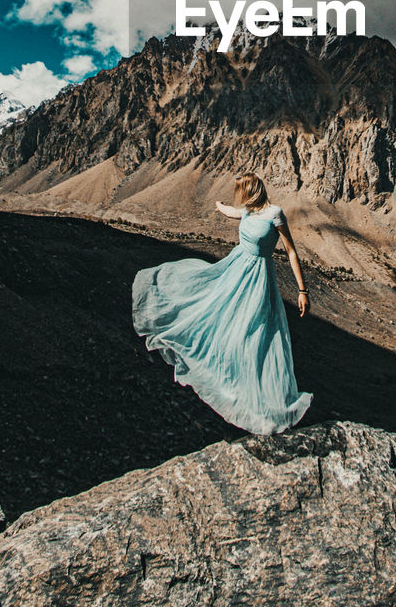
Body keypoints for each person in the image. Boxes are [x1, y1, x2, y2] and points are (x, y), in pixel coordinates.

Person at [131, 172, 313, 434]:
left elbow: (292, 251)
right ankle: (231, 379)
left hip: (258, 278)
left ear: (252, 191)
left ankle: (259, 397)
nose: (239, 198)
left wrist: (302, 290)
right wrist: (219, 207)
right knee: (221, 315)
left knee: (256, 331)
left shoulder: (275, 214)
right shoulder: (248, 212)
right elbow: (233, 212)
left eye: (242, 191)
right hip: (237, 268)